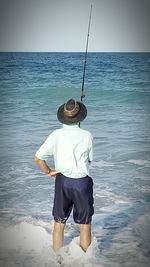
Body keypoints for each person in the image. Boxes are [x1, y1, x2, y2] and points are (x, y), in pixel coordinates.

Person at [34, 99, 94, 253]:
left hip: (63, 181)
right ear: (79, 117)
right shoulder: (87, 135)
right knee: (85, 224)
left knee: (59, 222)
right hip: (81, 183)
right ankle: (86, 261)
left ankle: (57, 260)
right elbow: (89, 160)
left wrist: (48, 171)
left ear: (63, 116)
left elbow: (38, 158)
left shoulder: (56, 135)